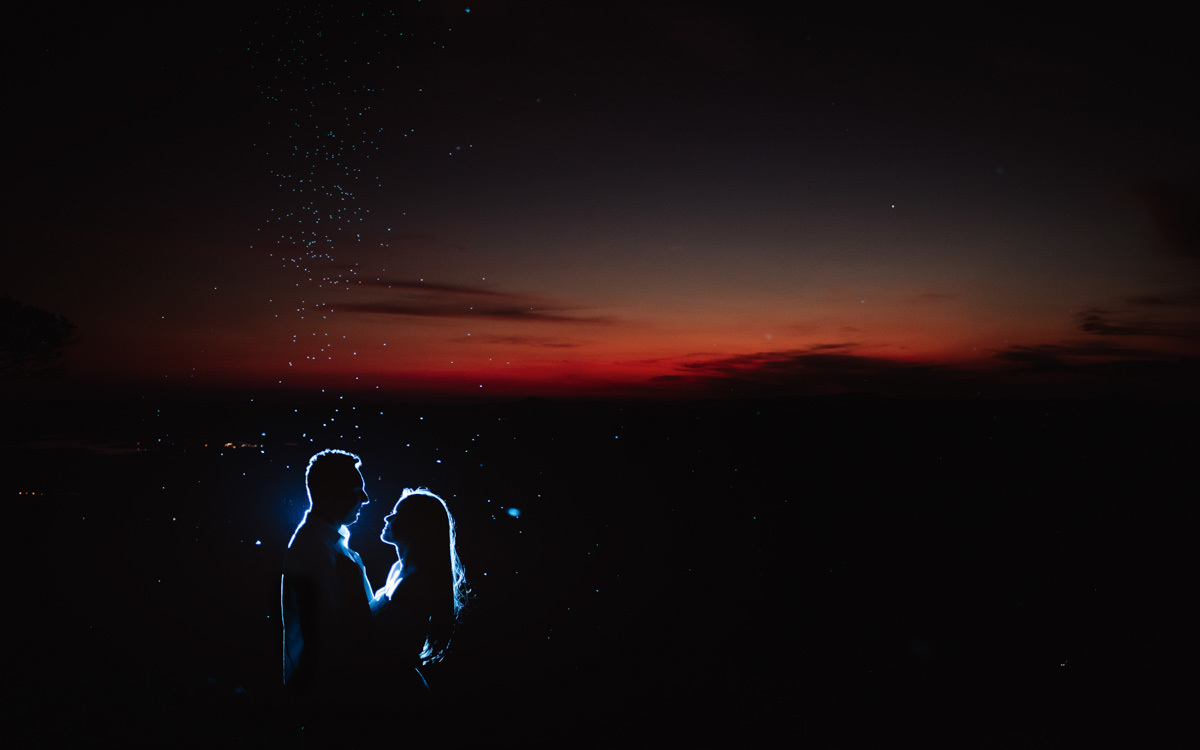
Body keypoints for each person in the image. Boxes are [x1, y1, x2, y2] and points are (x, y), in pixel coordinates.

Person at [280, 449, 373, 714]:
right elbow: (327, 635)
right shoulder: (315, 551)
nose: (365, 499)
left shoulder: (330, 545)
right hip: (331, 696)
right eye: (357, 490)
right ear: (332, 493)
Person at [370, 488, 468, 701]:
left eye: (398, 512)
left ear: (416, 526)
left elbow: (385, 649)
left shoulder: (415, 583)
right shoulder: (397, 569)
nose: (388, 516)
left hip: (394, 693)